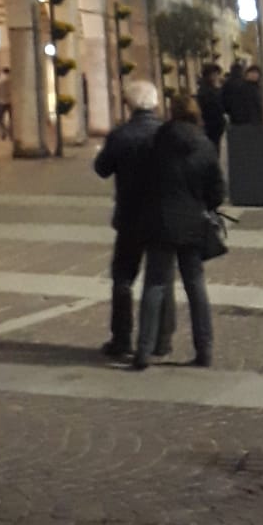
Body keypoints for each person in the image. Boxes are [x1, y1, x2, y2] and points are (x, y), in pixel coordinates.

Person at [133, 91, 225, 370]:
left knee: (155, 285)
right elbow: (217, 190)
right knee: (195, 286)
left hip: (160, 221)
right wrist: (205, 204)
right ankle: (205, 349)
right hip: (192, 221)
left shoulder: (155, 142)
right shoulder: (204, 144)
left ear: (171, 112)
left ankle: (143, 351)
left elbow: (142, 181)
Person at [93, 80, 175, 362]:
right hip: (161, 215)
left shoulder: (120, 135)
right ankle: (161, 339)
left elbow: (102, 169)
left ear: (128, 105)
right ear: (155, 103)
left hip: (129, 215)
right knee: (162, 280)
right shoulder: (167, 134)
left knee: (123, 279)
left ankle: (122, 338)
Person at [197, 63, 226, 150]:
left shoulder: (210, 88)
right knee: (213, 145)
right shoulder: (207, 90)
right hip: (211, 122)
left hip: (215, 122)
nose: (217, 77)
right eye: (215, 74)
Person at [0, 66, 12, 139]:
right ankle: (11, 133)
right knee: (12, 118)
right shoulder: (12, 79)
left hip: (1, 101)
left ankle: (3, 132)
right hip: (10, 101)